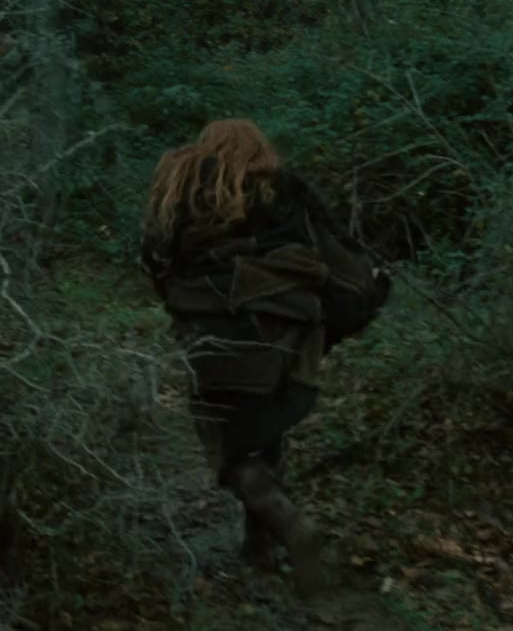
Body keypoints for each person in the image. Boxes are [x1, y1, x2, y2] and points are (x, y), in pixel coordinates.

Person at [139, 118, 391, 593]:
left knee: (231, 448)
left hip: (212, 336)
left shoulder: (181, 190)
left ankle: (293, 529)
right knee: (263, 430)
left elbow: (153, 259)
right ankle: (259, 549)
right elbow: (341, 261)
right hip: (289, 339)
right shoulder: (285, 193)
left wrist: (187, 303)